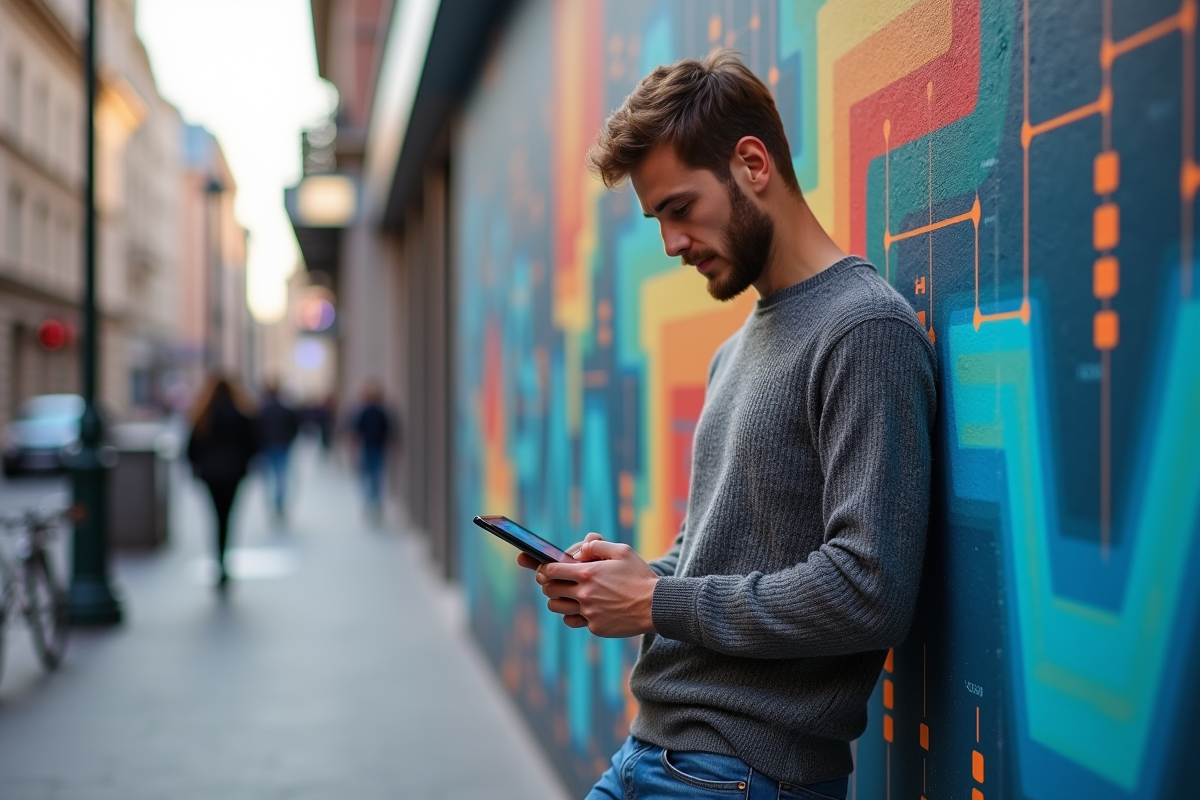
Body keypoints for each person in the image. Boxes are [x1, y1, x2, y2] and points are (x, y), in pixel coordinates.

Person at [518, 51, 937, 799]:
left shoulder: (864, 331)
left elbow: (870, 589)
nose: (671, 244)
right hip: (654, 750)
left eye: (680, 208)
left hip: (743, 773)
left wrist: (655, 601)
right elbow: (715, 553)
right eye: (657, 220)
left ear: (752, 163)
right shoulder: (734, 351)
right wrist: (628, 578)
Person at [186, 375, 259, 588]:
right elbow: (253, 445)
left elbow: (191, 448)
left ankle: (219, 561)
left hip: (210, 475)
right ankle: (224, 560)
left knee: (215, 517)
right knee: (228, 517)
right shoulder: (240, 414)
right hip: (233, 474)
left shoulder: (203, 415)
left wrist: (196, 469)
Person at [350, 381, 396, 522]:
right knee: (376, 477)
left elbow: (356, 432)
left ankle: (371, 503)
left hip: (371, 448)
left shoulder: (367, 411)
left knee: (369, 477)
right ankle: (374, 503)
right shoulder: (380, 412)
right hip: (375, 448)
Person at [256, 380, 300, 522]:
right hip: (282, 446)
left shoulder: (262, 410)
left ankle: (272, 505)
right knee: (281, 477)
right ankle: (278, 504)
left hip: (268, 447)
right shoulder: (285, 409)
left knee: (269, 478)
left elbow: (257, 430)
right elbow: (295, 428)